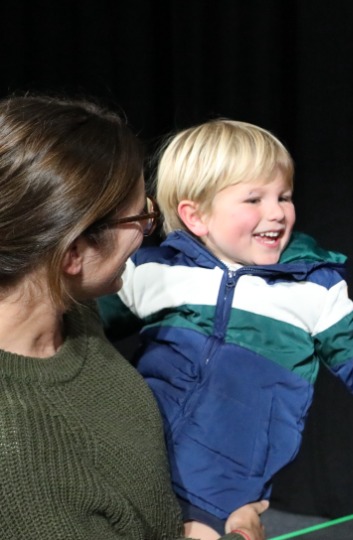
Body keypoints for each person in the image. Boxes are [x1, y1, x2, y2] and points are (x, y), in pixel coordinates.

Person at [97, 118, 353, 539]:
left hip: (223, 483)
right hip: (136, 459)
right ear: (195, 216)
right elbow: (77, 329)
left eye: (283, 196)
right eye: (253, 199)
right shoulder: (154, 270)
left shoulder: (313, 287)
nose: (277, 212)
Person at [0, 95, 267, 539]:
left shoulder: (71, 312)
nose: (150, 230)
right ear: (73, 254)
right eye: (140, 217)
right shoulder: (18, 454)